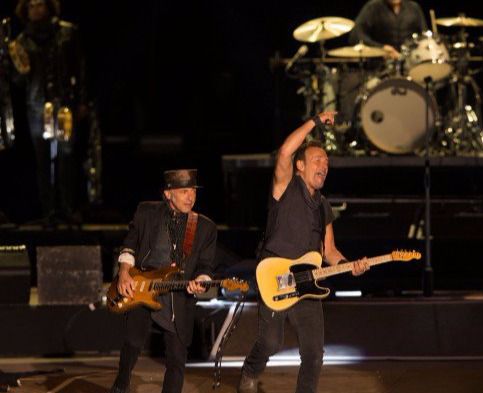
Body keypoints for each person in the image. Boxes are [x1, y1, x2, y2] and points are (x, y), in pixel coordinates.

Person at [237, 112, 370, 393]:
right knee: (271, 342)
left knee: (313, 352)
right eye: (317, 160)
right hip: (276, 277)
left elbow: (329, 251)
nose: (324, 165)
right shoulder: (286, 186)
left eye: (327, 162)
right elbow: (285, 151)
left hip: (307, 282)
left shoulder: (324, 206)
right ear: (300, 166)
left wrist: (349, 265)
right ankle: (250, 369)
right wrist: (315, 121)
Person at [110, 169, 217, 393]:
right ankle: (121, 385)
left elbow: (206, 267)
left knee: (177, 359)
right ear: (168, 194)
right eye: (184, 191)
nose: (191, 197)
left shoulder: (205, 227)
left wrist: (201, 280)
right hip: (143, 286)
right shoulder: (146, 212)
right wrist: (124, 272)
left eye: (193, 191)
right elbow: (129, 244)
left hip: (177, 295)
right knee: (132, 343)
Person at [11, 0, 86, 221]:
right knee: (43, 160)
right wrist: (15, 67)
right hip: (37, 107)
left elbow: (80, 67)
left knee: (66, 158)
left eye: (40, 4)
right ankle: (48, 211)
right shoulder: (21, 42)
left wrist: (82, 100)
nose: (36, 9)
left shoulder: (67, 33)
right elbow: (18, 81)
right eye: (31, 5)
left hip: (64, 104)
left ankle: (68, 208)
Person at [349, 0, 428, 59]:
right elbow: (356, 35)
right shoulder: (372, 7)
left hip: (410, 62)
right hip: (380, 64)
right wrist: (381, 48)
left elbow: (425, 36)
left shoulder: (414, 8)